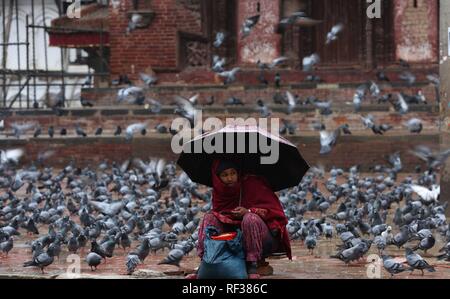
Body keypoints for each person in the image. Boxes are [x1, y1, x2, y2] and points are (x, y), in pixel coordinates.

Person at [189, 159, 292, 279]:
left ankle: (252, 265)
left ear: (238, 173)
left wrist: (248, 211)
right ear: (218, 177)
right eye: (225, 175)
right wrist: (229, 216)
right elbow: (220, 213)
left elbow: (276, 213)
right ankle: (205, 262)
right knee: (209, 218)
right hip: (235, 239)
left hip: (263, 239)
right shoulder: (220, 191)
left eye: (233, 173)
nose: (229, 178)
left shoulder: (253, 184)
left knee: (250, 218)